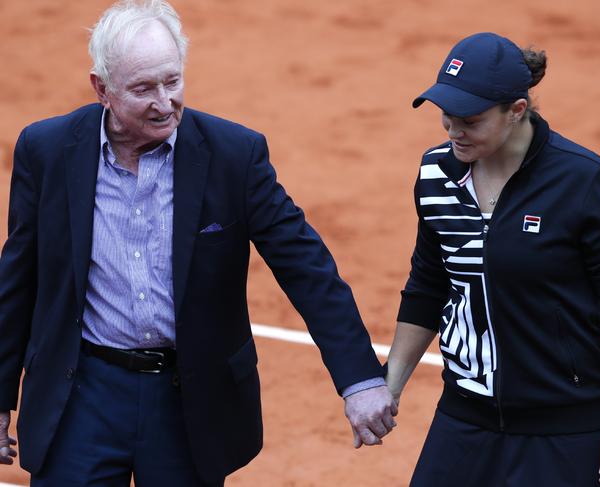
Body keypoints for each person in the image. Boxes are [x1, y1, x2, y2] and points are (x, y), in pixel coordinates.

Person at [0, 1, 397, 485]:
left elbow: (304, 265)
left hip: (188, 398)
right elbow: (18, 279)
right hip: (83, 392)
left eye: (173, 81)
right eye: (144, 88)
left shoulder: (234, 156)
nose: (164, 102)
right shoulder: (46, 150)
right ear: (101, 88)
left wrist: (358, 378)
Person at [385, 32, 600, 486]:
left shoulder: (581, 180)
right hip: (465, 413)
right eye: (446, 118)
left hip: (564, 421)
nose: (453, 132)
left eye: (469, 120)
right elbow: (429, 284)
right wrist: (389, 386)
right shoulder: (436, 174)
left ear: (517, 112)